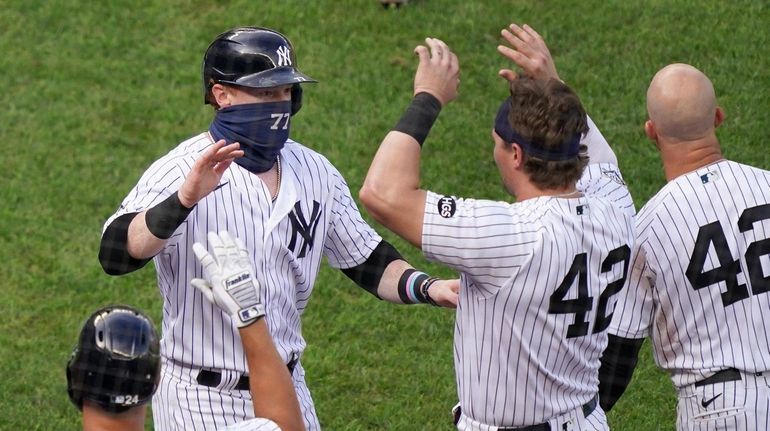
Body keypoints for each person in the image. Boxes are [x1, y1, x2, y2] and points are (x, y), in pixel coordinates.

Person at [97, 26, 458, 430]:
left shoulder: (315, 171)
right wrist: (184, 199)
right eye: (265, 93)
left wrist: (430, 287)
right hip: (199, 397)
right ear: (222, 95)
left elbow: (366, 260)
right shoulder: (181, 169)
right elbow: (115, 255)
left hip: (287, 387)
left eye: (284, 92)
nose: (278, 104)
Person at [359, 24, 635, 430]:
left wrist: (428, 97)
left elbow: (381, 192)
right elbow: (598, 157)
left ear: (517, 155)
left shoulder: (509, 236)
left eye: (498, 143)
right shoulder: (616, 208)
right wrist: (553, 87)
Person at [598, 64, 770, 430]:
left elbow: (614, 367)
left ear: (651, 132)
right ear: (718, 117)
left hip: (720, 413)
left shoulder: (646, 230)